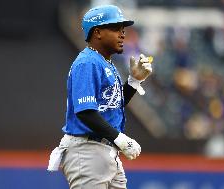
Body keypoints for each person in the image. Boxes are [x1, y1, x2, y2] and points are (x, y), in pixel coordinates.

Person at [47, 4, 153, 189]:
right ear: (97, 32)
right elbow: (85, 112)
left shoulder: (104, 63)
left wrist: (134, 82)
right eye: (115, 28)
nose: (122, 34)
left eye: (123, 29)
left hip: (105, 151)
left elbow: (112, 105)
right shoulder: (87, 62)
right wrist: (119, 138)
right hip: (87, 151)